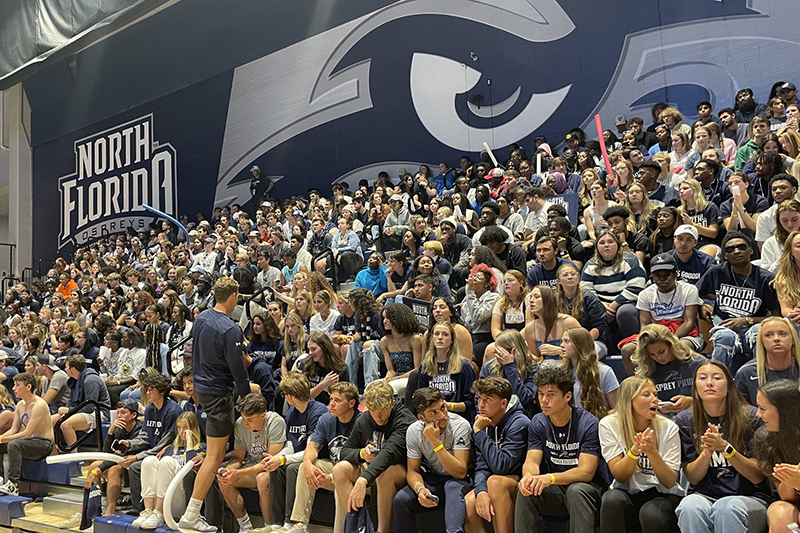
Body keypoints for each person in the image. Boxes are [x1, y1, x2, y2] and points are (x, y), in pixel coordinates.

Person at [179, 277, 251, 533]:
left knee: (212, 454)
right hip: (219, 393)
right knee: (214, 456)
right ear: (233, 296)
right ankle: (191, 513)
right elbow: (237, 368)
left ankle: (192, 513)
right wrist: (246, 395)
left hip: (202, 388)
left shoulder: (201, 319)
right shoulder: (230, 328)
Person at [674, 360, 769, 533]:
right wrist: (707, 453)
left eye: (716, 377)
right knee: (689, 506)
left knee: (726, 507)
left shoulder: (752, 417)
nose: (709, 382)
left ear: (729, 385)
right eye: (702, 378)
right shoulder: (685, 420)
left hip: (750, 497)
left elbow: (757, 476)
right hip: (705, 495)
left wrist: (726, 448)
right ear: (695, 386)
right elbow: (693, 478)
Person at [515, 365, 605, 533]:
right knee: (526, 490)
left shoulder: (588, 423)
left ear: (567, 396)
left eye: (551, 395)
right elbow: (531, 461)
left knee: (576, 490)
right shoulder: (538, 422)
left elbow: (586, 473)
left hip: (589, 491)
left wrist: (550, 478)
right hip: (557, 491)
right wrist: (529, 477)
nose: (543, 400)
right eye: (541, 394)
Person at [598, 376, 682, 533]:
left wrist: (652, 452)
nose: (655, 399)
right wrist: (634, 451)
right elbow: (620, 475)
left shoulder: (668, 428)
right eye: (646, 394)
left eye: (655, 394)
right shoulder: (609, 424)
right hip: (628, 491)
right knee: (611, 500)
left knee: (650, 513)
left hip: (662, 494)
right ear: (629, 399)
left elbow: (669, 481)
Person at [333, 380, 414, 533]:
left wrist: (363, 480)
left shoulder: (404, 420)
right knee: (340, 469)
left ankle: (381, 530)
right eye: (373, 410)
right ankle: (358, 527)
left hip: (404, 473)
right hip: (372, 474)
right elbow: (345, 451)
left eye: (382, 410)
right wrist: (361, 453)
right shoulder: (364, 419)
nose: (378, 416)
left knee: (385, 472)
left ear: (391, 404)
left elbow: (389, 453)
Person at [697, 231, 780, 374]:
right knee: (725, 337)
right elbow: (694, 295)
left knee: (758, 332)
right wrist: (705, 304)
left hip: (752, 327)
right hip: (724, 326)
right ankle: (716, 379)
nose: (736, 251)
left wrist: (746, 320)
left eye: (741, 247)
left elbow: (777, 317)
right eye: (730, 249)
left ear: (751, 250)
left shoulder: (765, 278)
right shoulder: (716, 272)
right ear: (725, 255)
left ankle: (761, 378)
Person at [393, 387, 472, 533]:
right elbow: (413, 471)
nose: (442, 416)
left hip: (460, 480)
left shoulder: (460, 425)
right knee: (401, 500)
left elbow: (460, 472)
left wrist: (435, 443)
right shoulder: (414, 431)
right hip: (434, 478)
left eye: (443, 408)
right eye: (433, 412)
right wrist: (420, 489)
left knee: (452, 487)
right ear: (422, 418)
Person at [285, 382, 360, 533]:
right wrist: (307, 464)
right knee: (304, 467)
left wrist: (332, 477)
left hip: (355, 473)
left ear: (352, 403)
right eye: (331, 399)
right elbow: (312, 447)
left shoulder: (361, 421)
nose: (331, 404)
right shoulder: (326, 419)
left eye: (337, 401)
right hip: (335, 468)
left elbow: (363, 462)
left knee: (340, 479)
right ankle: (300, 524)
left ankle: (341, 530)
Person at [464, 377, 530, 533]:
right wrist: (480, 491)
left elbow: (502, 466)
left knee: (495, 482)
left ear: (503, 403)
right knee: (470, 502)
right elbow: (481, 466)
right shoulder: (485, 423)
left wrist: (479, 433)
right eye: (479, 398)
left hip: (522, 482)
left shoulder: (519, 423)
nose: (480, 405)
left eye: (488, 400)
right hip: (495, 480)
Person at [217, 393, 286, 533]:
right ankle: (245, 526)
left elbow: (268, 463)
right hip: (252, 465)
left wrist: (239, 472)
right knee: (224, 479)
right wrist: (229, 471)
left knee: (262, 479)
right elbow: (238, 457)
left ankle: (270, 527)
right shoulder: (240, 424)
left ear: (263, 415)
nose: (246, 423)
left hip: (275, 468)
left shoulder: (276, 422)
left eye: (250, 419)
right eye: (243, 418)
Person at [269, 371, 329, 529]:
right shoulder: (291, 413)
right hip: (298, 456)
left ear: (290, 396)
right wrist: (277, 458)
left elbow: (311, 450)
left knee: (292, 468)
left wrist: (283, 459)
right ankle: (276, 524)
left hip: (318, 459)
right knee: (275, 469)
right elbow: (290, 444)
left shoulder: (318, 412)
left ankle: (290, 522)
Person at [123, 373, 184, 515]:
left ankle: (143, 510)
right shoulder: (150, 409)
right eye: (147, 389)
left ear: (162, 391)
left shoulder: (173, 411)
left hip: (169, 454)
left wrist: (137, 457)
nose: (147, 393)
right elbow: (144, 435)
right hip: (153, 452)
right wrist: (130, 443)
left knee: (135, 467)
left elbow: (164, 443)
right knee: (127, 460)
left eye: (152, 389)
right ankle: (142, 509)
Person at [131, 412, 203, 530]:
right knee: (149, 460)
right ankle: (148, 510)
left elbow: (192, 466)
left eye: (185, 427)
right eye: (179, 427)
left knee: (167, 461)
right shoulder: (171, 448)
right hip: (160, 497)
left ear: (193, 428)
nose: (181, 431)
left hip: (180, 499)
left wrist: (189, 441)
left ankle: (159, 513)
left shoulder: (201, 448)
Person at [580, 228, 647, 346]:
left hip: (626, 303)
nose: (606, 245)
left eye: (610, 242)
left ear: (617, 244)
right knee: (586, 310)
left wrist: (614, 305)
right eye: (602, 243)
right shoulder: (590, 264)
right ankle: (598, 346)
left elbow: (636, 286)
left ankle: (633, 346)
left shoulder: (631, 260)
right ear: (597, 247)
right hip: (600, 304)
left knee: (625, 312)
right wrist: (600, 304)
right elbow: (586, 289)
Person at [752, 379, 800, 533]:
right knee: (780, 515)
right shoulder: (764, 438)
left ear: (785, 411)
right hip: (791, 500)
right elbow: (785, 494)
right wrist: (796, 483)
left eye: (762, 408)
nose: (758, 414)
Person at [82, 398, 142, 516]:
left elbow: (122, 455)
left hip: (135, 467)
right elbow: (106, 454)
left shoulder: (140, 429)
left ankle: (109, 511)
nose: (119, 416)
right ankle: (89, 510)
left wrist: (96, 471)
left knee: (113, 469)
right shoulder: (119, 428)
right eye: (118, 413)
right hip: (122, 463)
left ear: (133, 415)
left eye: (123, 413)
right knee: (95, 464)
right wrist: (110, 432)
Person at [631, 324, 706, 416]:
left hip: (695, 415)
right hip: (661, 419)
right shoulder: (646, 370)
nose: (658, 357)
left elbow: (717, 398)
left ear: (671, 345)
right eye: (652, 354)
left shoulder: (697, 363)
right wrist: (652, 404)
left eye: (661, 352)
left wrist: (692, 402)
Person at [0, 373, 55, 495]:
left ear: (28, 387)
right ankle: (1, 479)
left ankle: (13, 484)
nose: (14, 388)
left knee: (14, 444)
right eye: (14, 385)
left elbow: (27, 434)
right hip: (28, 443)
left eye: (17, 385)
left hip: (43, 444)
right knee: (3, 445)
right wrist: (1, 439)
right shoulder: (20, 404)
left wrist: (2, 439)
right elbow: (13, 430)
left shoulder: (39, 404)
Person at [735, 316, 800, 406]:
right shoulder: (746, 373)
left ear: (793, 339)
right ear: (761, 341)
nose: (776, 339)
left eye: (782, 334)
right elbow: (741, 410)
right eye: (768, 335)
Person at [418, 321, 476, 419]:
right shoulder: (425, 365)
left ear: (452, 340)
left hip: (457, 417)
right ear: (432, 338)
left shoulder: (464, 366)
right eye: (437, 334)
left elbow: (471, 403)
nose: (440, 337)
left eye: (445, 334)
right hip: (432, 417)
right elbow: (421, 398)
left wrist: (448, 406)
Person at [53, 354, 111, 449]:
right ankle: (53, 452)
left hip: (99, 412)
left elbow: (90, 406)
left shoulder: (91, 380)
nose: (65, 369)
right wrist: (67, 409)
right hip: (80, 409)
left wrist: (68, 411)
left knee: (66, 424)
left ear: (73, 369)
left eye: (66, 367)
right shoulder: (74, 380)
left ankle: (74, 457)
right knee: (50, 421)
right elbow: (71, 401)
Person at [479, 330, 539, 418]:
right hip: (491, 415)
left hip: (519, 416)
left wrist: (510, 367)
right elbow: (479, 396)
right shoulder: (488, 368)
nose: (495, 353)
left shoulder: (532, 369)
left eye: (500, 350)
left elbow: (523, 398)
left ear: (513, 351)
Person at [561, 328, 619, 419]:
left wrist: (598, 422)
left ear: (579, 345)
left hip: (597, 423)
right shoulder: (562, 371)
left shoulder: (605, 372)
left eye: (567, 341)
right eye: (562, 341)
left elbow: (617, 408)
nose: (561, 345)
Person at [556, 263, 609, 359]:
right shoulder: (555, 300)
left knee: (585, 355)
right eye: (565, 275)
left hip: (592, 341)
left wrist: (580, 343)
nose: (570, 277)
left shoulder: (589, 298)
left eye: (573, 274)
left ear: (578, 278)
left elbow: (599, 327)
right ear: (558, 281)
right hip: (564, 342)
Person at [380, 303, 423, 397]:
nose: (384, 321)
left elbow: (417, 369)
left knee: (390, 388)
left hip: (412, 378)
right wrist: (388, 377)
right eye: (383, 318)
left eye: (388, 318)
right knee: (371, 387)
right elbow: (391, 370)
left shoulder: (415, 339)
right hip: (396, 377)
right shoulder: (384, 341)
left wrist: (396, 378)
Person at [460, 264, 500, 362]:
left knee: (468, 357)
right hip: (470, 336)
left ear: (487, 284)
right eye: (473, 277)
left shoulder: (493, 297)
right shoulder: (467, 299)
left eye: (479, 278)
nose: (474, 280)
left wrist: (469, 293)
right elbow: (468, 322)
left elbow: (477, 317)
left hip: (485, 338)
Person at [761, 199, 800, 273]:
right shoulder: (770, 243)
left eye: (794, 219)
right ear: (779, 221)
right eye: (784, 221)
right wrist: (783, 258)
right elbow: (766, 276)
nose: (790, 225)